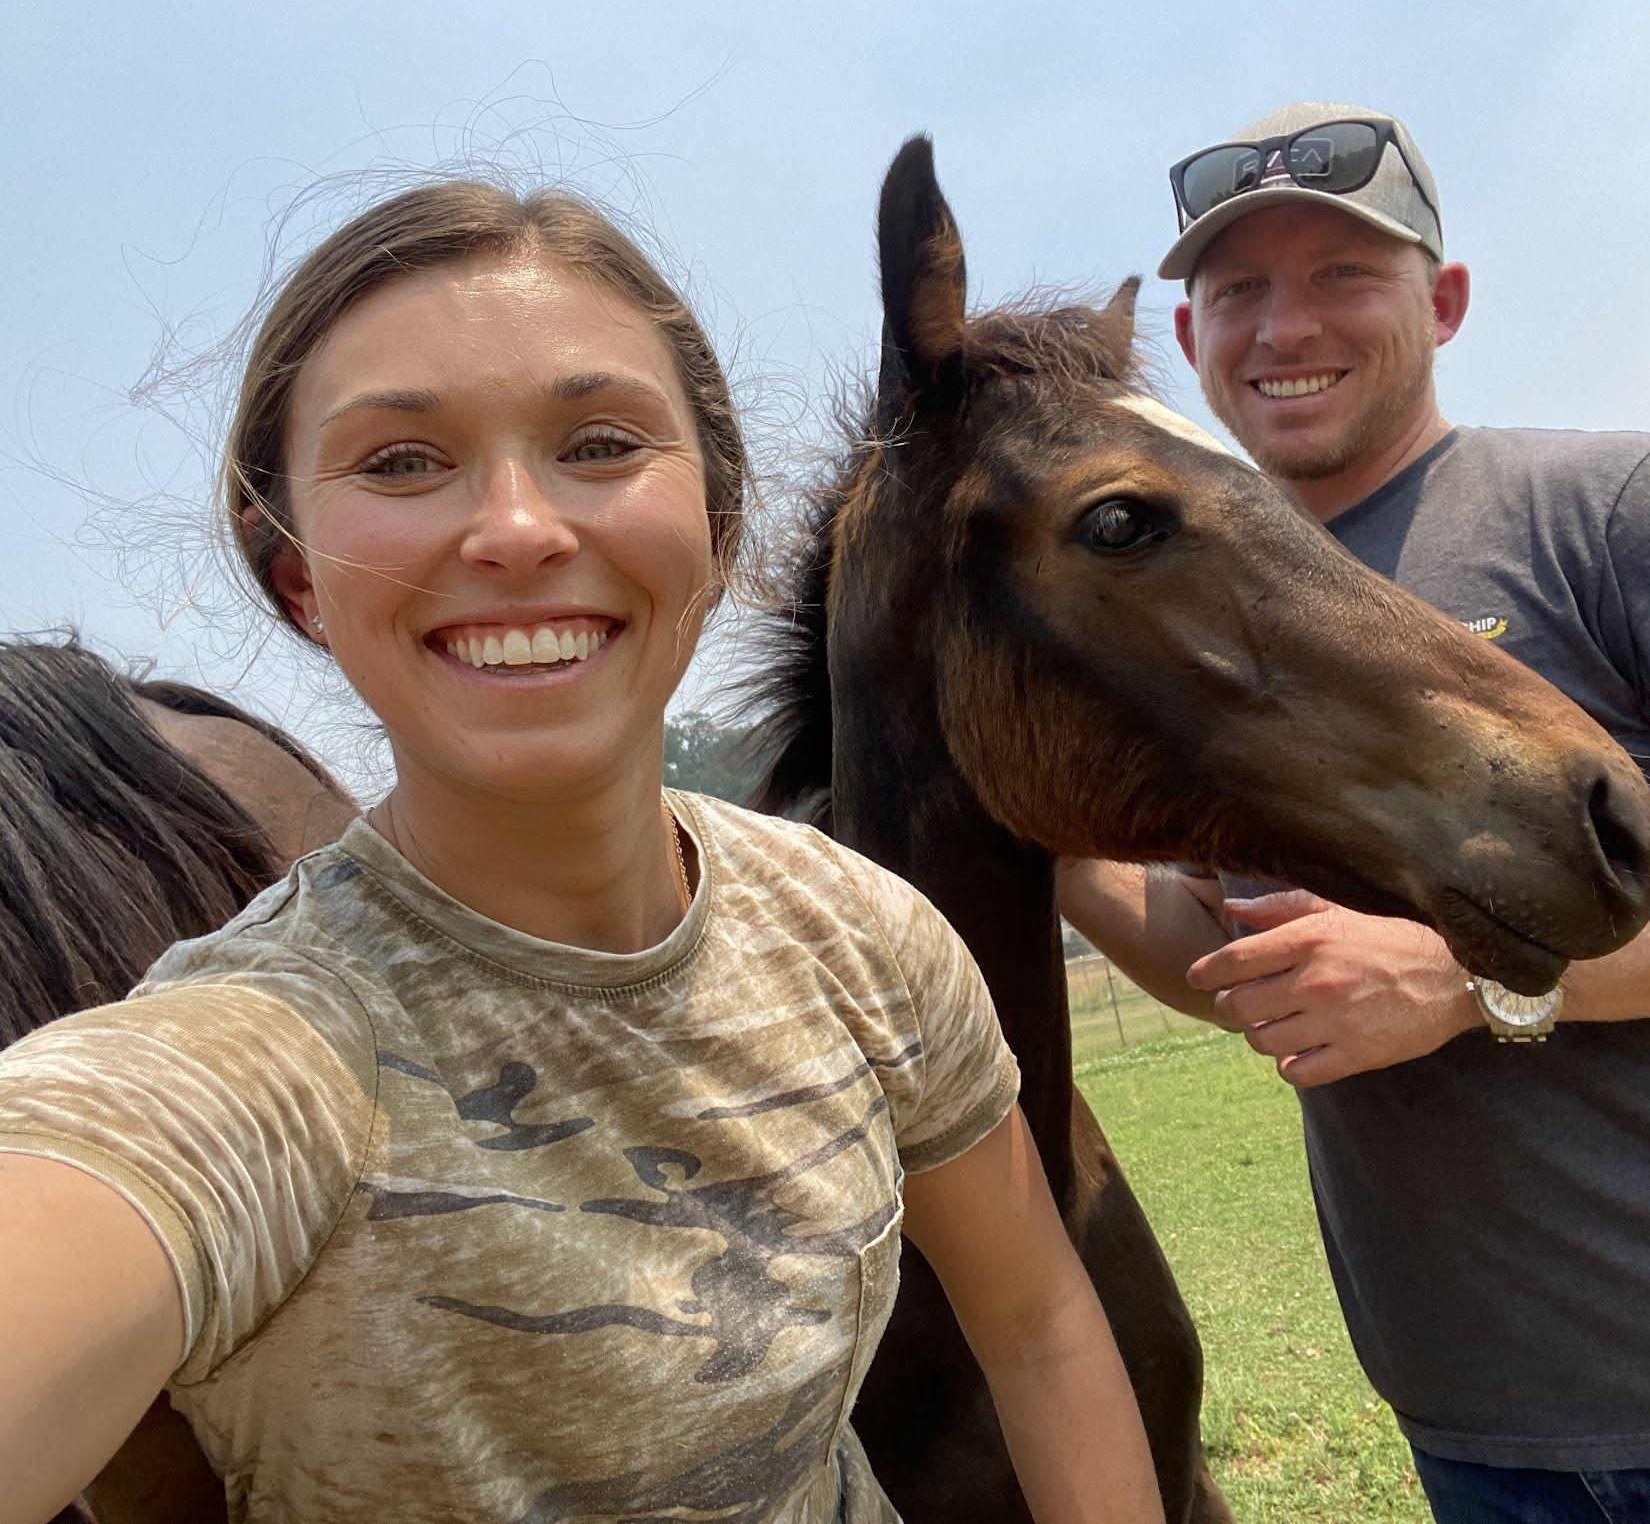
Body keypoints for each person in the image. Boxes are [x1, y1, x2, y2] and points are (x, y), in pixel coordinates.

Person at [0, 184, 1163, 1524]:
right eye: (401, 461)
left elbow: (1038, 1322)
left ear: (717, 530)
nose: (517, 528)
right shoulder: (241, 1062)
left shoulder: (860, 932)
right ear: (299, 578)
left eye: (601, 443)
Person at [1059, 102, 1650, 1522]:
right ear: (1189, 335)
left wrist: (1465, 983)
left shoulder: (1601, 508)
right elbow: (1242, 955)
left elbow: (1411, 984)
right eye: (1237, 290)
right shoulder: (1189, 614)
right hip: (1470, 1417)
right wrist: (1062, 859)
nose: (1284, 327)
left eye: (1342, 274)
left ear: (1442, 303)